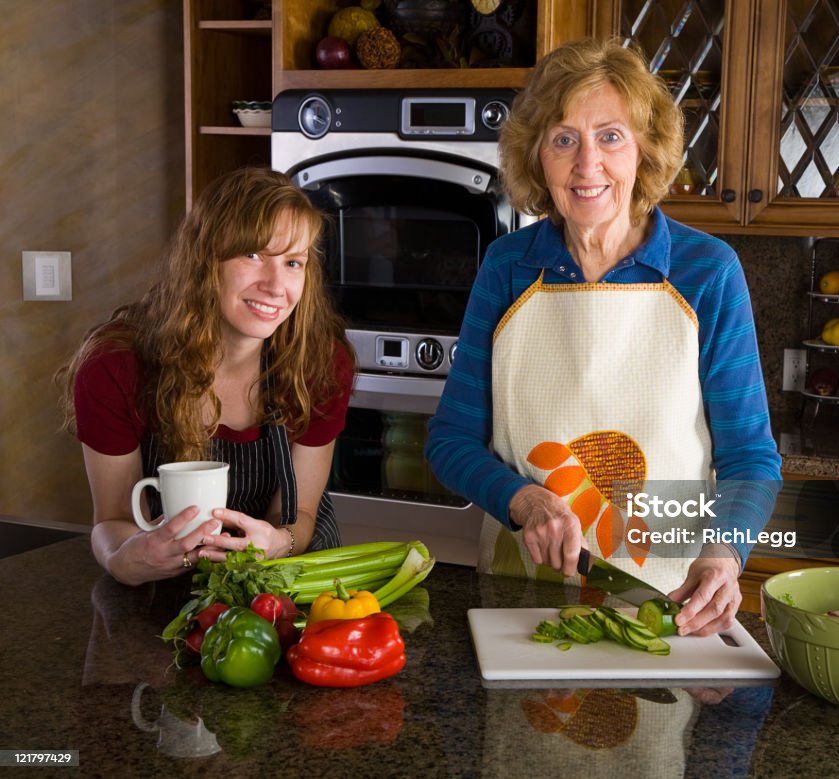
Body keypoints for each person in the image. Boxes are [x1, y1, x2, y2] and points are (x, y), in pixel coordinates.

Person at [426, 39, 782, 637]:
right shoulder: (507, 268)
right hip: (522, 594)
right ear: (537, 156)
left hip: (669, 595)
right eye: (564, 139)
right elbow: (451, 441)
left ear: (644, 150)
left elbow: (750, 458)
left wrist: (725, 552)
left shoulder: (707, 271)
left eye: (611, 137)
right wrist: (523, 500)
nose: (587, 165)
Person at [56, 167, 353, 586]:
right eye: (252, 255)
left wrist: (278, 542)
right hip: (163, 590)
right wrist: (128, 562)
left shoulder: (321, 363)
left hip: (288, 580)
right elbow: (113, 521)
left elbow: (300, 514)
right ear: (204, 260)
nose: (275, 285)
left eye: (292, 262)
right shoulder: (115, 367)